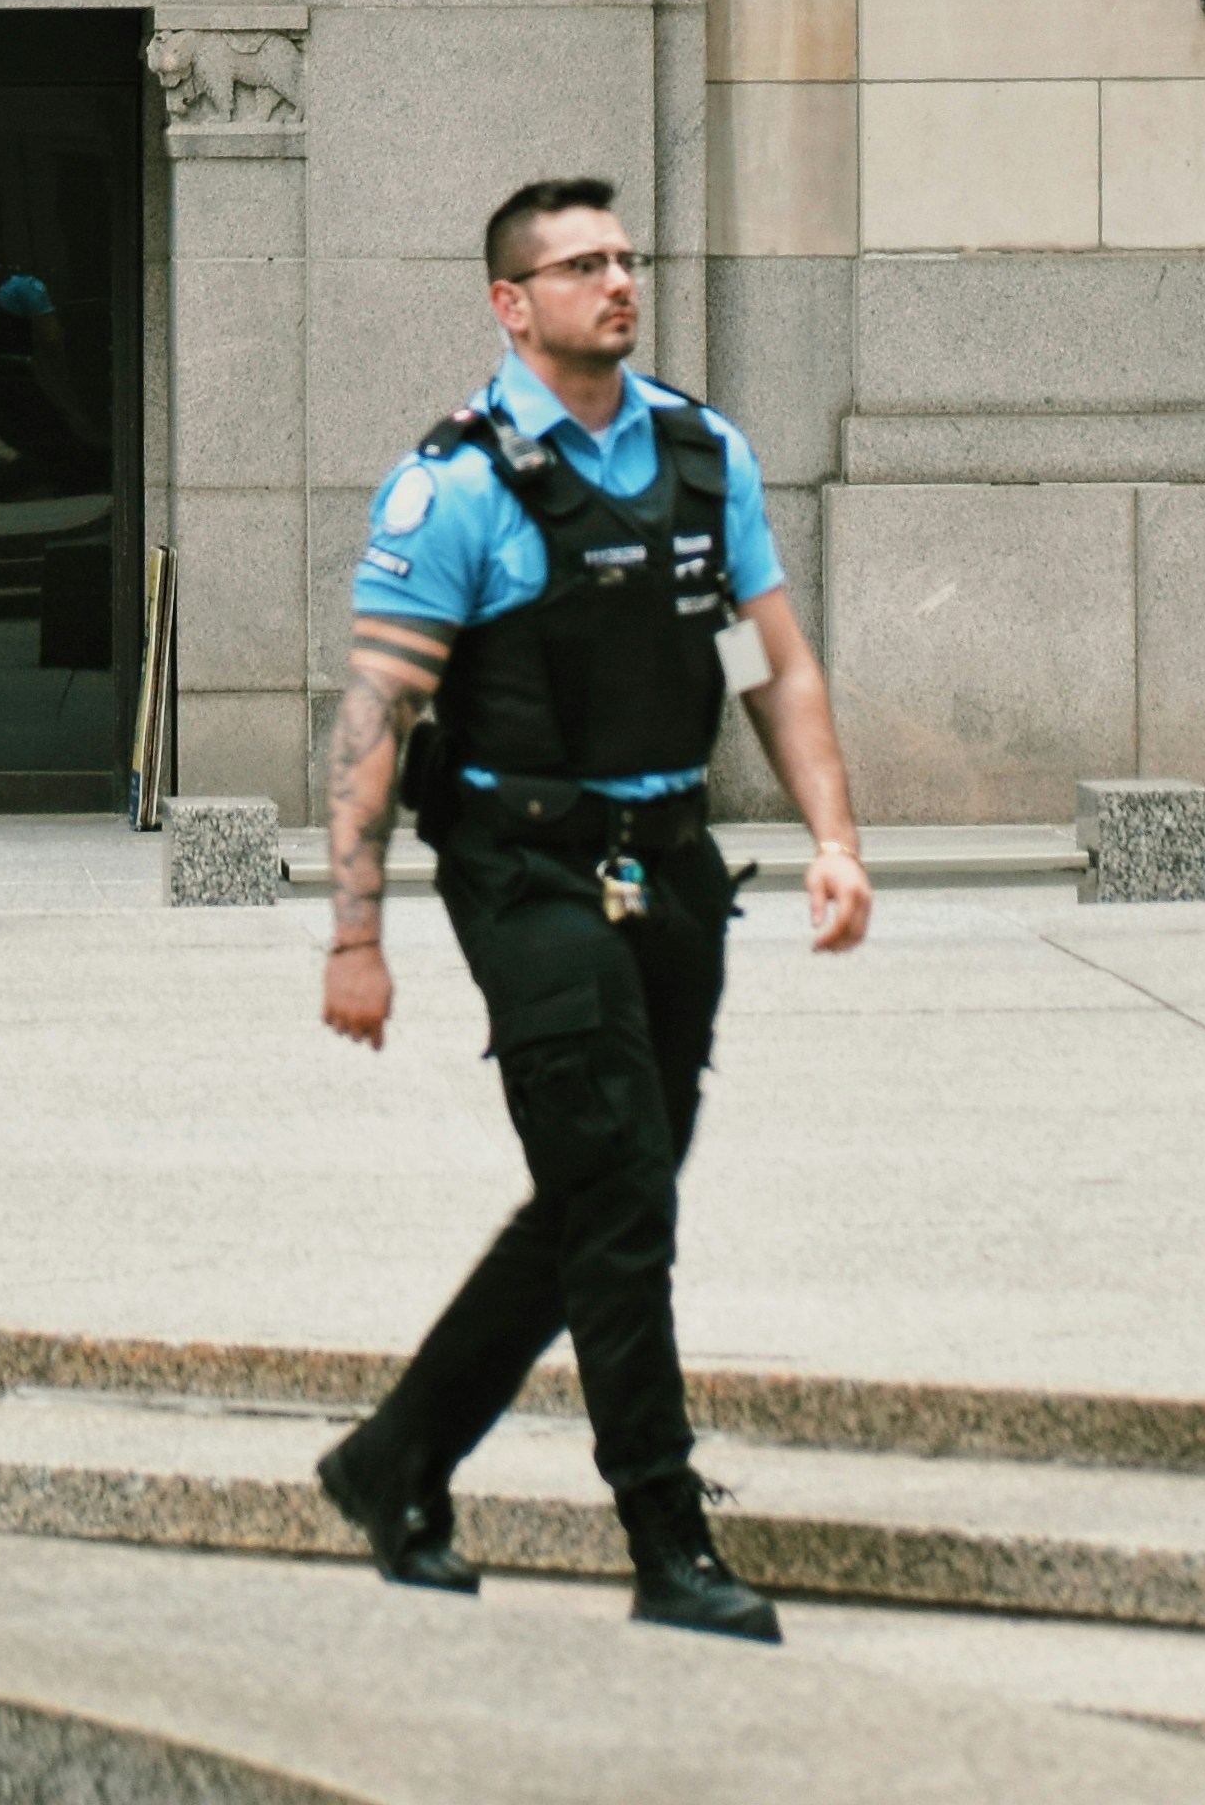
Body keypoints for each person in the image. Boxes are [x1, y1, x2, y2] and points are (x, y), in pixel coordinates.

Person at [312, 173, 871, 1646]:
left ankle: (393, 1461)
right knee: (620, 1189)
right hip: (527, 874)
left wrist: (833, 840)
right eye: (581, 267)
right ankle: (666, 1537)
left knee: (610, 1187)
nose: (618, 283)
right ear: (512, 304)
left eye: (626, 259)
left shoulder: (705, 455)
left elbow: (766, 665)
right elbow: (375, 717)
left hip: (672, 868)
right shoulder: (454, 489)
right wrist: (357, 938)